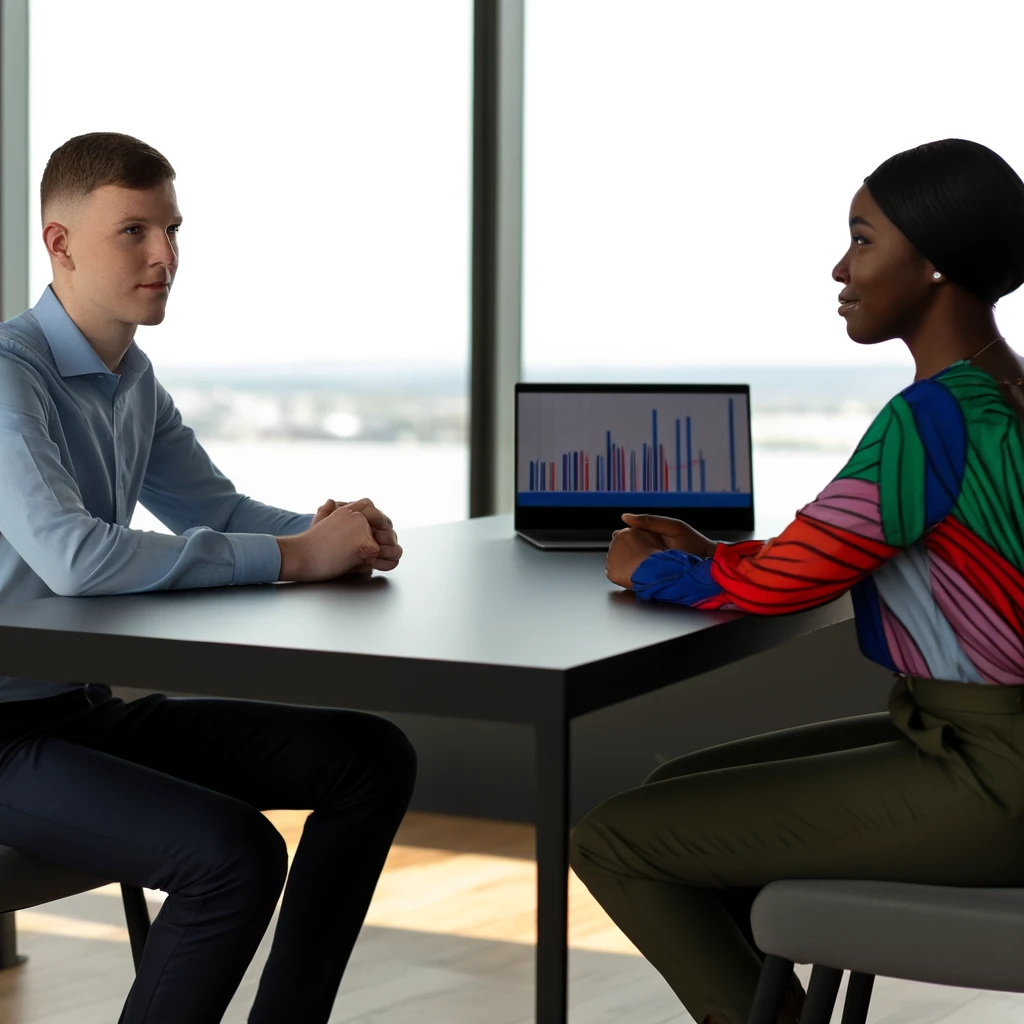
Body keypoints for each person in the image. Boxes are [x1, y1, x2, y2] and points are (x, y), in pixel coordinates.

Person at [569, 138, 1024, 1024]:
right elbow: (837, 545)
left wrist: (652, 569)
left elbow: (786, 585)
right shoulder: (1002, 392)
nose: (838, 267)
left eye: (862, 240)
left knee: (614, 839)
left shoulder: (931, 418)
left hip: (991, 775)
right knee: (674, 796)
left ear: (931, 264)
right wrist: (709, 554)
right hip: (970, 740)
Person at [0, 132, 416, 1023]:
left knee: (370, 757)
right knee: (237, 853)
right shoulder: (8, 374)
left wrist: (325, 530)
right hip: (3, 741)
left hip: (80, 717)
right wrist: (296, 558)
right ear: (59, 243)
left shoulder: (129, 379)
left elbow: (216, 513)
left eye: (174, 230)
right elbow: (74, 558)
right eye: (134, 232)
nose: (165, 257)